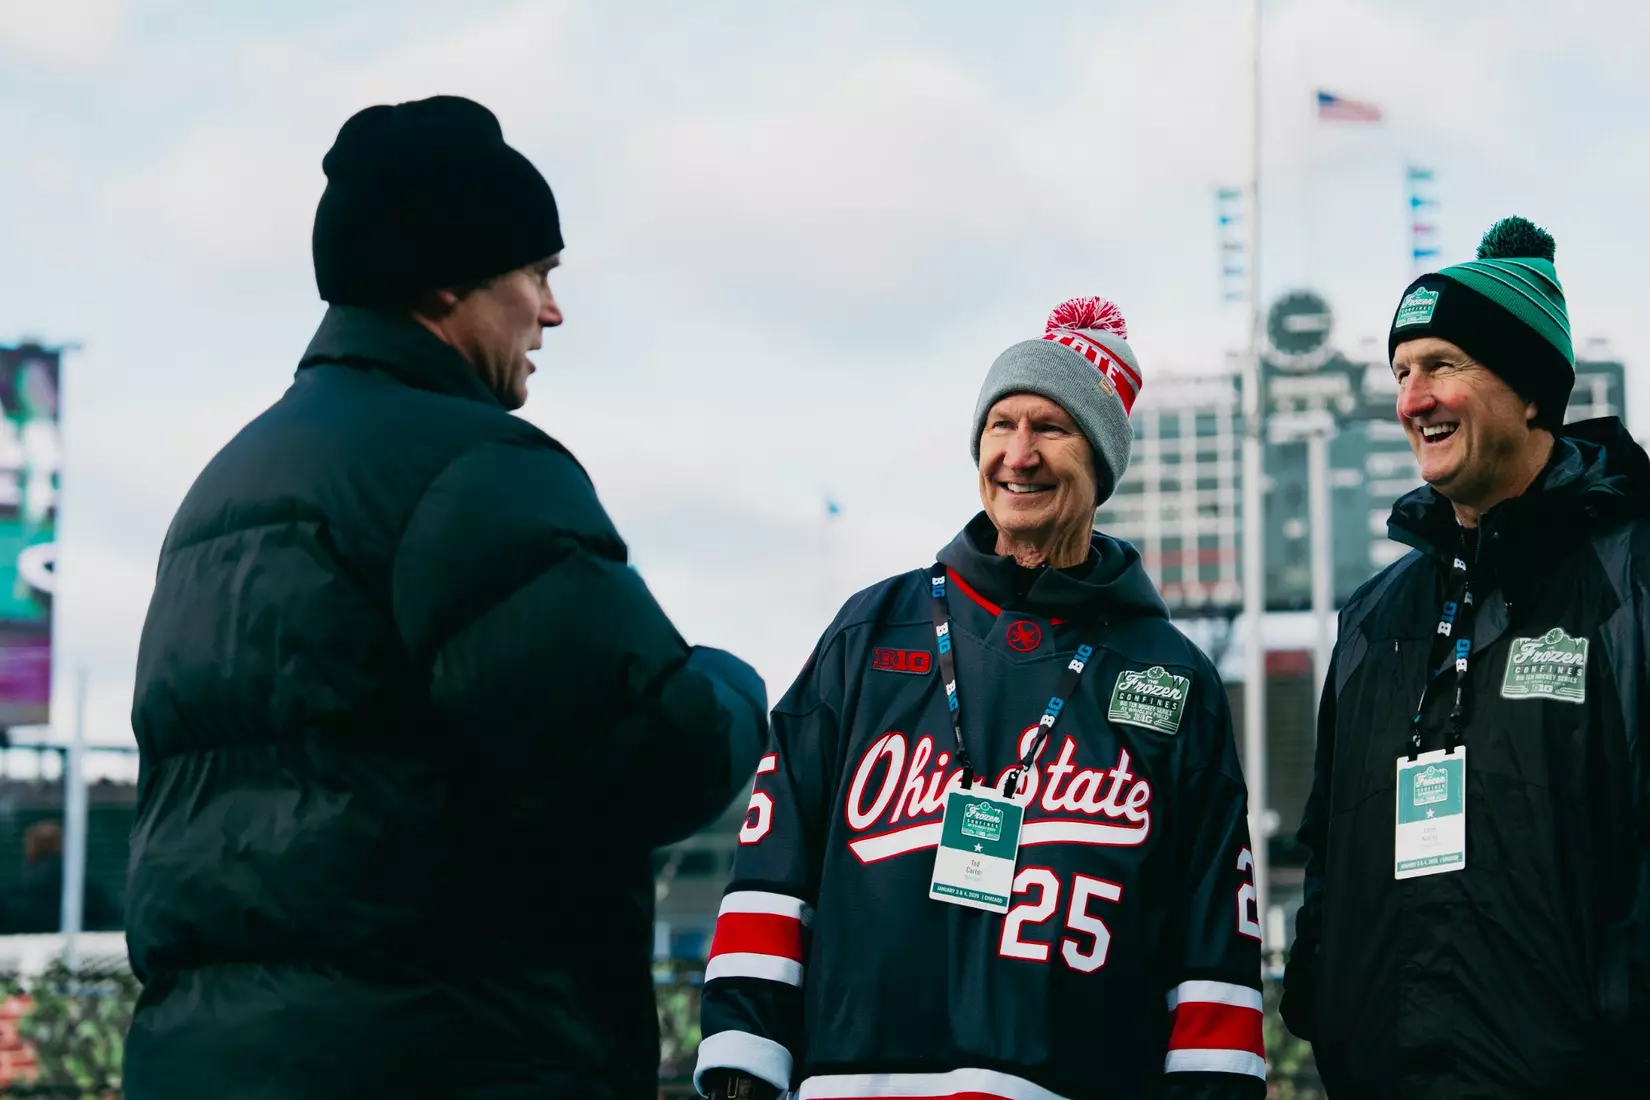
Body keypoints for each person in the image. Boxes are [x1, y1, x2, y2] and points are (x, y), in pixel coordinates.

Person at [122, 95, 768, 1100]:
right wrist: (733, 682)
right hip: (440, 1051)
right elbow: (651, 752)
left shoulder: (222, 488)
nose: (552, 312)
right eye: (538, 275)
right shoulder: (471, 470)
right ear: (447, 283)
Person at [696, 298, 1266, 1100]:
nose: (1019, 455)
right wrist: (744, 1049)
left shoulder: (1172, 675)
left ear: (1099, 462)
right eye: (1002, 425)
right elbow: (773, 858)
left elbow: (1214, 933)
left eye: (1051, 429)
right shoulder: (869, 632)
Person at [1280, 216, 1650, 1096]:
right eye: (1402, 373)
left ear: (1527, 390)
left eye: (1442, 365)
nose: (1412, 400)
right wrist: (1327, 1008)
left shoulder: (1633, 581)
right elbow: (1328, 858)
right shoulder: (1375, 617)